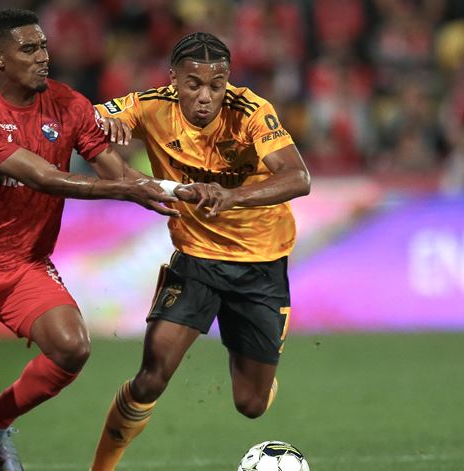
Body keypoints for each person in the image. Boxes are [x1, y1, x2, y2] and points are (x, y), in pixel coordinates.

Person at [0, 10, 218, 471]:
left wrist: (176, 191)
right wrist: (124, 190)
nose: (43, 57)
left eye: (44, 47)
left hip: (24, 261)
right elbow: (44, 178)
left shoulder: (69, 104)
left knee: (72, 346)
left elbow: (116, 170)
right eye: (29, 49)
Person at [90, 32, 312, 470]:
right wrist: (111, 151)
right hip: (196, 259)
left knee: (251, 405)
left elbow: (298, 177)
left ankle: (255, 366)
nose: (207, 97)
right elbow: (84, 124)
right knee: (151, 375)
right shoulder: (150, 105)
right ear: (173, 80)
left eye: (217, 85)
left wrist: (232, 197)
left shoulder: (251, 111)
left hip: (260, 264)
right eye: (194, 85)